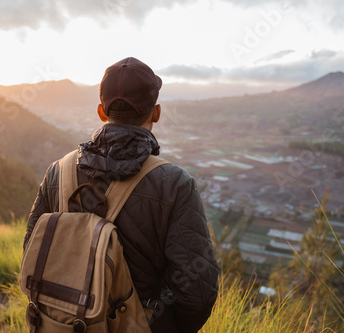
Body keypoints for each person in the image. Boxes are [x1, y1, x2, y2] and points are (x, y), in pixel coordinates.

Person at [23, 57, 219, 333]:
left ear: (102, 112)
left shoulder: (57, 172)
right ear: (156, 112)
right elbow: (197, 290)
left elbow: (31, 252)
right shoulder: (175, 185)